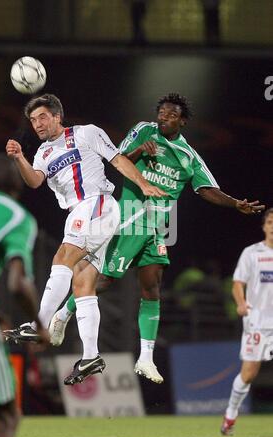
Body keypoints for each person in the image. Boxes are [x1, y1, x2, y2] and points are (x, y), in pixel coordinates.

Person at [49, 92, 264, 384]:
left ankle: (146, 359)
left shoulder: (188, 156)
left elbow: (206, 189)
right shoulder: (143, 130)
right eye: (161, 112)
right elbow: (119, 160)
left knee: (152, 287)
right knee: (104, 280)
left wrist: (235, 203)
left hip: (156, 228)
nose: (164, 117)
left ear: (182, 121)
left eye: (171, 115)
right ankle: (63, 314)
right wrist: (141, 151)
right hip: (129, 219)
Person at [4, 93, 165, 385]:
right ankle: (91, 355)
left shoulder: (87, 133)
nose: (37, 124)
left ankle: (38, 324)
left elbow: (117, 161)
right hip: (82, 213)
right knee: (82, 283)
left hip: (96, 204)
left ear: (57, 116)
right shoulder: (42, 154)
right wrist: (19, 159)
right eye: (33, 120)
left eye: (42, 117)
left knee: (62, 257)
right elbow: (35, 181)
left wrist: (143, 183)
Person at [0, 154, 48, 437]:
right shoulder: (17, 216)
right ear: (17, 188)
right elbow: (18, 284)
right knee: (6, 416)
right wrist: (40, 325)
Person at [221, 208, 273, 436]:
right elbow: (237, 283)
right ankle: (230, 415)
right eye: (270, 222)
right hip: (258, 322)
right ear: (264, 226)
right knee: (249, 373)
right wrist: (241, 303)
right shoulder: (252, 253)